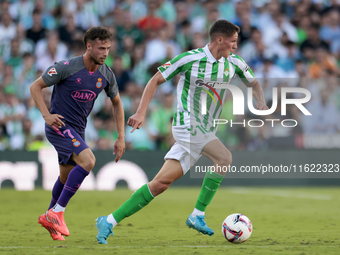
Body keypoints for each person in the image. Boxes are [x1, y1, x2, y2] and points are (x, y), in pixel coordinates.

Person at [95, 20, 268, 244]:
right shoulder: (190, 59)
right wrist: (140, 113)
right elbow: (155, 79)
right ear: (219, 40)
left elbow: (254, 84)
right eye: (233, 42)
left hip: (204, 130)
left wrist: (261, 103)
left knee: (159, 184)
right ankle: (198, 214)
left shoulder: (235, 63)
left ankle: (108, 220)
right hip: (188, 124)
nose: (235, 46)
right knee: (224, 158)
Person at [30, 27, 125, 241]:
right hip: (58, 125)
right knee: (89, 161)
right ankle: (57, 213)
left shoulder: (106, 74)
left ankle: (49, 217)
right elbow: (35, 87)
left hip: (78, 131)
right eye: (101, 48)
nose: (105, 53)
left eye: (108, 48)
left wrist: (121, 137)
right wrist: (46, 115)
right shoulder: (66, 67)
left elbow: (117, 103)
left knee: (65, 178)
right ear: (89, 46)